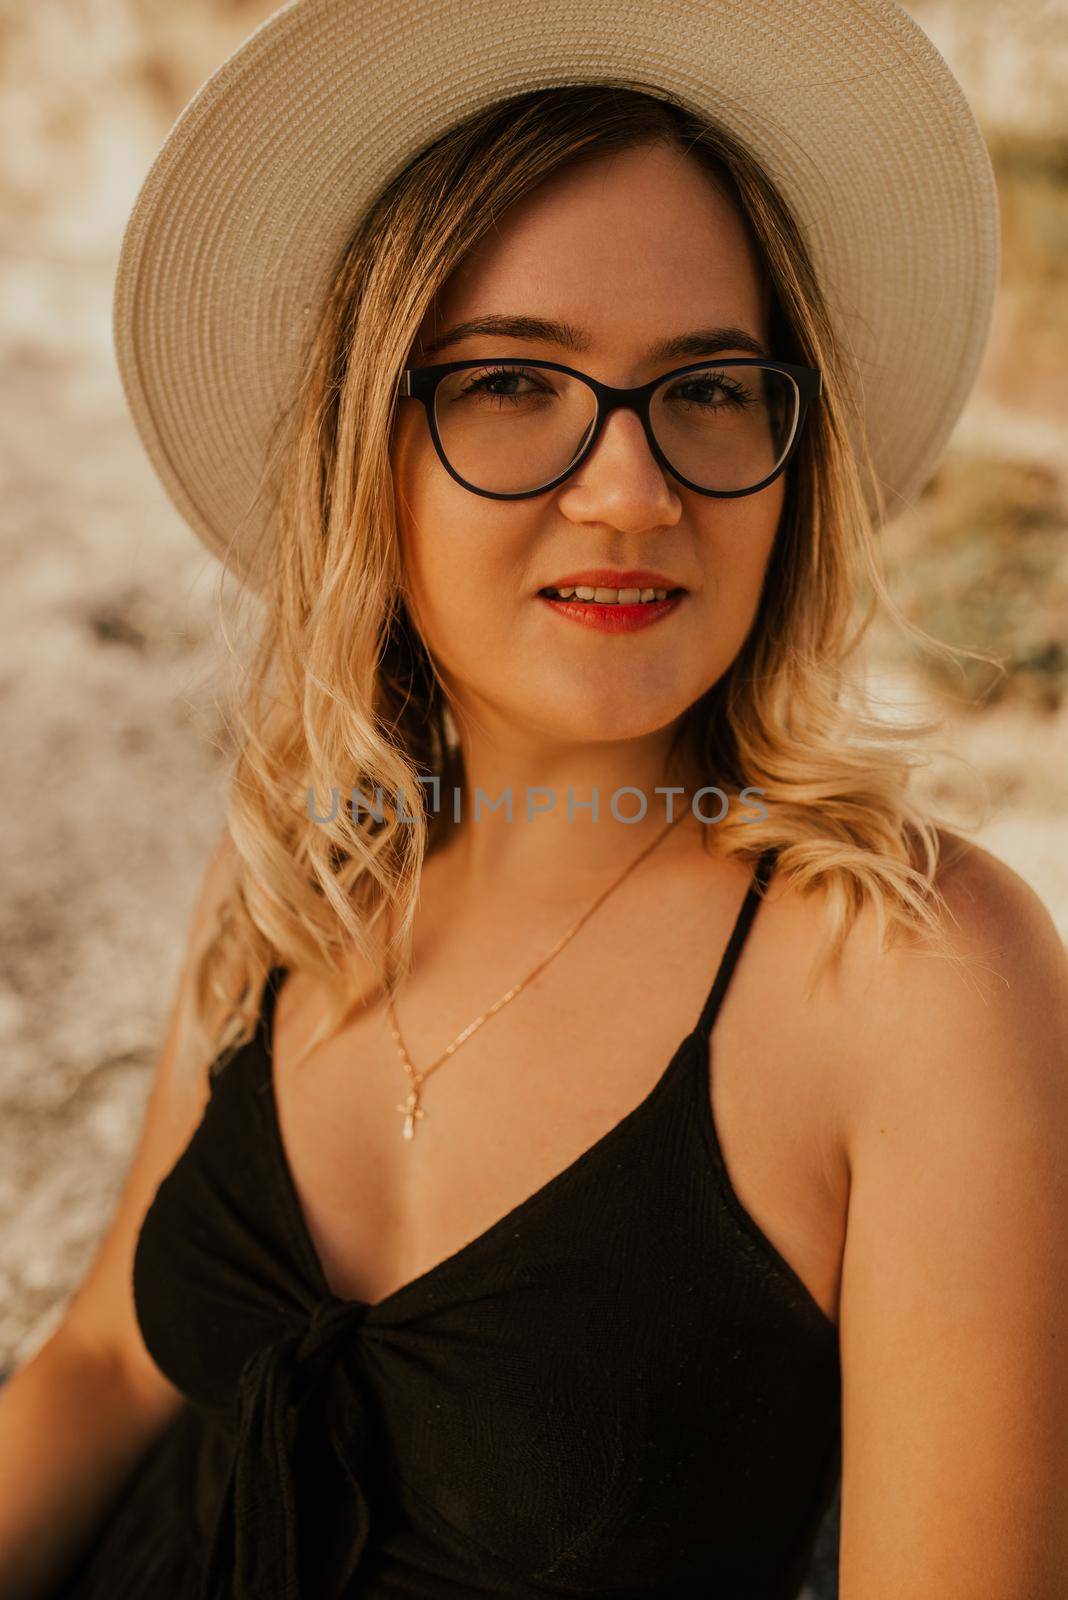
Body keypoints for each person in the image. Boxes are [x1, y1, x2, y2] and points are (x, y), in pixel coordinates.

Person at [2, 2, 1066, 1597]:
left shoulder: (909, 977)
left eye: (708, 388)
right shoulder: (302, 860)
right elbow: (104, 1368)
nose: (631, 491)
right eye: (513, 383)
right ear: (373, 446)